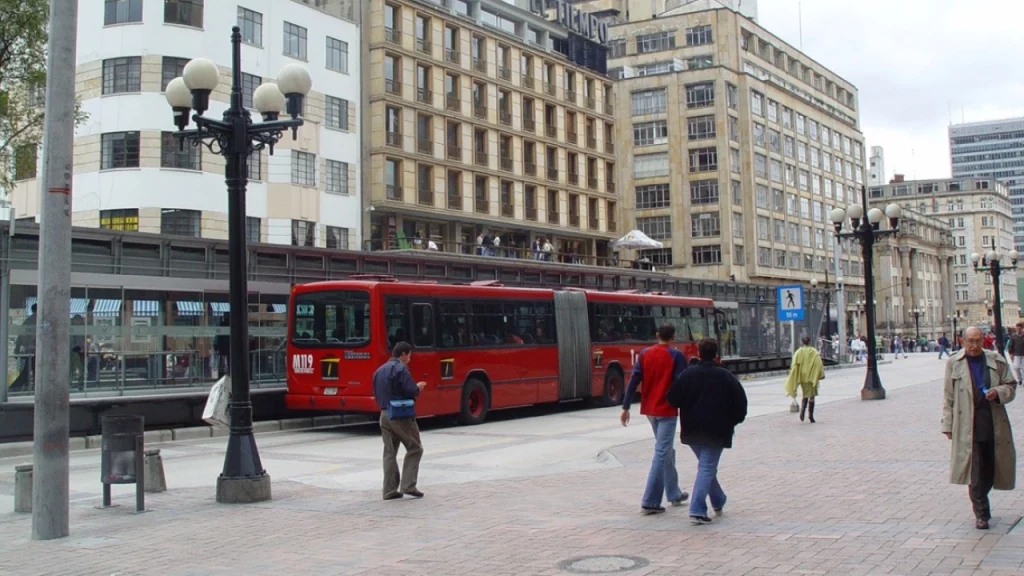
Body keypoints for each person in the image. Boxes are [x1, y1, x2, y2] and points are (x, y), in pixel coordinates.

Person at [941, 326, 1016, 530]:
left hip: (992, 422)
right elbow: (948, 396)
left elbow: (1011, 386)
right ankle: (981, 513)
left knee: (990, 469)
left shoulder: (996, 361)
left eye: (978, 341)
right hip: (967, 425)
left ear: (983, 340)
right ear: (962, 341)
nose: (974, 346)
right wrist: (947, 424)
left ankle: (982, 496)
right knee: (974, 471)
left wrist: (998, 392)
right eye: (970, 341)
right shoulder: (954, 363)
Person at [667, 339, 748, 525]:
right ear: (717, 354)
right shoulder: (726, 377)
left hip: (692, 430)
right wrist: (733, 421)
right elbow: (741, 404)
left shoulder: (688, 375)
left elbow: (672, 398)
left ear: (698, 352)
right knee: (706, 467)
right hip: (717, 431)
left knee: (706, 467)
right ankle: (697, 509)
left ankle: (718, 499)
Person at [620, 324, 689, 515]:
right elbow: (683, 383)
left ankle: (673, 493)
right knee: (662, 452)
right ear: (673, 337)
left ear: (657, 335)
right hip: (667, 409)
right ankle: (650, 500)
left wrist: (625, 406)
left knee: (666, 450)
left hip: (650, 409)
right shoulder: (676, 356)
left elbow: (634, 380)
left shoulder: (644, 354)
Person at [372, 342, 428, 501]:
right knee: (415, 448)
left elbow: (376, 392)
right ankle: (408, 485)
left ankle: (389, 490)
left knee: (389, 452)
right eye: (409, 356)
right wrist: (418, 387)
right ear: (403, 354)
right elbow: (411, 390)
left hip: (384, 414)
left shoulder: (379, 371)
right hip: (401, 415)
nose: (409, 359)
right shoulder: (401, 369)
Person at [784, 336, 825, 423]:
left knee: (805, 394)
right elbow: (819, 364)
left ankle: (802, 411)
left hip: (802, 377)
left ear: (802, 342)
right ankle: (810, 416)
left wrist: (793, 375)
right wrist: (819, 375)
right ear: (809, 342)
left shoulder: (799, 352)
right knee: (812, 396)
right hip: (812, 377)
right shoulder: (814, 352)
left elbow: (794, 365)